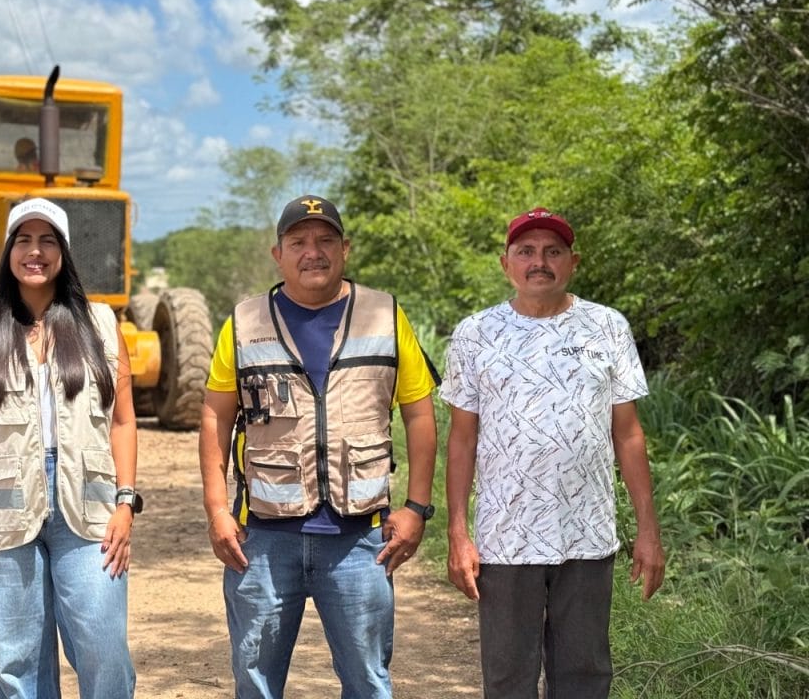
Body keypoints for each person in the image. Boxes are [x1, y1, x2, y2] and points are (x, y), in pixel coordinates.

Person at [198, 194, 440, 699]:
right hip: (262, 540)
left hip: (360, 542)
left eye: (326, 240)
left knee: (368, 683)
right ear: (278, 254)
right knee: (256, 684)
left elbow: (419, 413)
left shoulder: (385, 315)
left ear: (345, 248)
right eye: (299, 242)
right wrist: (217, 509)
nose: (313, 252)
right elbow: (215, 416)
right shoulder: (243, 322)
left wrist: (417, 507)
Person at [442, 207, 667, 699]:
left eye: (553, 251)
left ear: (573, 262)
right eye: (525, 251)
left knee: (585, 677)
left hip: (587, 535)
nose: (538, 262)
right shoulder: (476, 333)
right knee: (508, 679)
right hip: (506, 538)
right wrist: (458, 533)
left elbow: (628, 434)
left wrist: (648, 531)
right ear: (506, 263)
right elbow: (461, 439)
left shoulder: (606, 327)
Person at [0, 198, 138, 698]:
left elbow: (122, 421)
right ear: (8, 252)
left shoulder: (100, 325)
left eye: (48, 240)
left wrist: (125, 503)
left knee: (103, 648)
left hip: (90, 509)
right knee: (17, 661)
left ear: (64, 252)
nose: (35, 251)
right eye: (24, 240)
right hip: (3, 512)